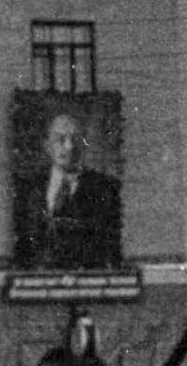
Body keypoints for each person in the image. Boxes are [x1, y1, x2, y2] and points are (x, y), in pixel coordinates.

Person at [13, 109, 124, 270]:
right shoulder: (26, 189)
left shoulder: (107, 189)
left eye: (76, 139)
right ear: (47, 146)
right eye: (60, 139)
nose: (69, 146)